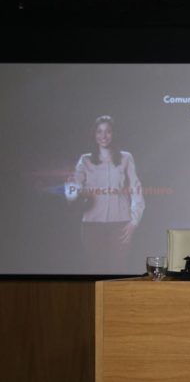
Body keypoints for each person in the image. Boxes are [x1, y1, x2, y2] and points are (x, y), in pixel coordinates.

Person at [67, 115, 144, 273]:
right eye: (99, 132)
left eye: (108, 131)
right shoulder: (85, 160)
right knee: (95, 269)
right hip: (92, 225)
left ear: (114, 134)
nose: (103, 136)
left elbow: (136, 189)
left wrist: (134, 222)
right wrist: (70, 188)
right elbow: (73, 191)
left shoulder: (126, 158)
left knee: (119, 270)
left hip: (120, 224)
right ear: (94, 135)